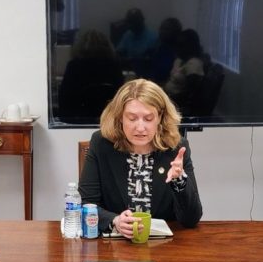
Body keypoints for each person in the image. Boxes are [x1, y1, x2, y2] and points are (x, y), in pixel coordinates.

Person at [80, 79, 202, 238]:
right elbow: (86, 205)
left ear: (160, 118)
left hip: (164, 248)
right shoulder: (102, 144)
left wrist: (180, 181)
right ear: (120, 118)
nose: (140, 127)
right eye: (132, 118)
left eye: (148, 119)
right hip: (114, 247)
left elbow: (191, 220)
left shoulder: (176, 148)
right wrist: (115, 221)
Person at [56, 29, 125, 124]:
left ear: (80, 47)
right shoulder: (114, 66)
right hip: (110, 119)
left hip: (78, 119)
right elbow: (122, 95)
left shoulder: (74, 66)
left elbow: (64, 99)